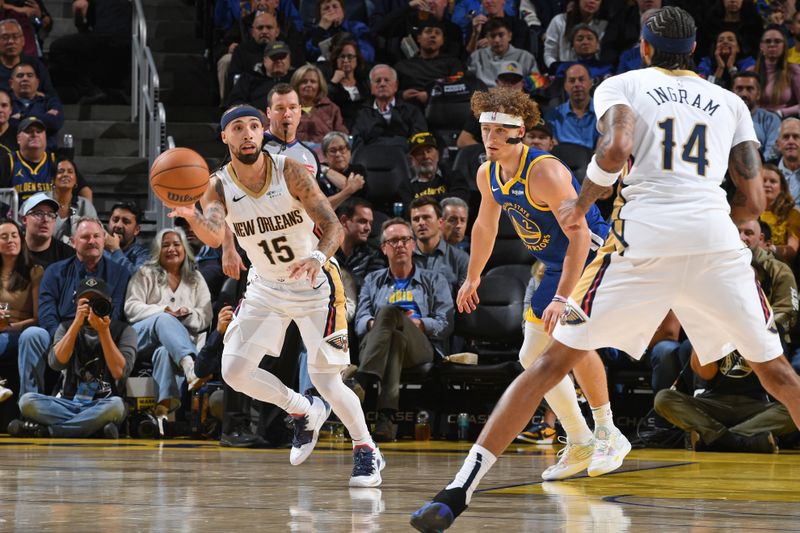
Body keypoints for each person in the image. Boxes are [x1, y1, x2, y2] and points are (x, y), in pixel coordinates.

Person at [410, 8, 800, 531]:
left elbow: (615, 148)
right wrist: (706, 222)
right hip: (714, 241)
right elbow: (752, 200)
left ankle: (457, 492)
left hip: (643, 238)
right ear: (694, 51)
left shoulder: (623, 84)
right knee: (778, 374)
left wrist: (583, 201)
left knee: (547, 363)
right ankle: (591, 435)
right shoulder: (730, 101)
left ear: (642, 47)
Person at [170, 104, 385, 487]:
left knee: (327, 380)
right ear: (225, 137)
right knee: (233, 371)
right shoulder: (217, 185)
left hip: (315, 284)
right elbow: (217, 234)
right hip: (266, 286)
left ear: (263, 130)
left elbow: (333, 226)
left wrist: (318, 257)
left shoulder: (288, 171)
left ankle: (366, 448)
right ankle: (303, 410)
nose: (248, 133)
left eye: (254, 126)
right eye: (238, 127)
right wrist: (191, 216)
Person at [438, 86, 628, 485]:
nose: (489, 138)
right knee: (530, 354)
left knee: (570, 337)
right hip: (556, 262)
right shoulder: (487, 172)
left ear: (519, 132)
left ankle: (608, 429)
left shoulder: (545, 172)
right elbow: (485, 225)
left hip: (593, 253)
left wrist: (562, 296)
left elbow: (578, 237)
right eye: (485, 129)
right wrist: (473, 276)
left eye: (498, 130)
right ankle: (578, 439)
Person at [353, 218, 454, 441]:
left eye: (405, 240)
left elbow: (445, 324)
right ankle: (386, 420)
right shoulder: (372, 280)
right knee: (394, 335)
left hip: (419, 346)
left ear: (413, 245)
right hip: (379, 344)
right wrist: (381, 323)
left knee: (390, 313)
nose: (400, 245)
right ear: (383, 248)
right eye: (393, 241)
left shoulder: (434, 280)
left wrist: (415, 323)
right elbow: (360, 322)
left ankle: (361, 380)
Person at [18, 217, 130, 397]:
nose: (92, 241)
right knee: (32, 335)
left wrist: (92, 336)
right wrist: (65, 340)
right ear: (73, 241)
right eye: (85, 237)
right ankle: (30, 404)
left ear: (104, 239)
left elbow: (115, 314)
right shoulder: (55, 271)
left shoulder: (120, 272)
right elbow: (47, 315)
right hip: (62, 334)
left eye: (97, 236)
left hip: (102, 332)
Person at [8, 277, 132, 438]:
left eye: (98, 301)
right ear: (77, 304)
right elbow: (56, 364)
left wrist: (103, 331)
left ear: (109, 302)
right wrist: (76, 324)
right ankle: (95, 429)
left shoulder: (124, 330)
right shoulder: (65, 327)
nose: (92, 306)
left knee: (117, 406)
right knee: (26, 401)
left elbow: (119, 373)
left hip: (102, 403)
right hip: (66, 403)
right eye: (87, 302)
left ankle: (48, 432)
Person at [125, 227, 212, 422]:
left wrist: (188, 314)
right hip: (143, 337)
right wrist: (163, 310)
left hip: (175, 344)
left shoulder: (196, 278)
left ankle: (164, 412)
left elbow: (205, 316)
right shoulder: (145, 273)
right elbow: (130, 308)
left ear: (184, 249)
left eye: (176, 244)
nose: (171, 249)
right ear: (158, 250)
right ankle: (191, 368)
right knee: (165, 319)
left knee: (164, 352)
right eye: (165, 245)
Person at [0, 218, 41, 404]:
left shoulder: (34, 272)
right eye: (4, 236)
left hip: (20, 333)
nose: (10, 240)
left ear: (21, 239)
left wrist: (10, 327)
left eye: (14, 235)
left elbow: (37, 318)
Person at [350, 65, 428, 150]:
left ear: (396, 86)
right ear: (371, 88)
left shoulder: (412, 111)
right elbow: (356, 143)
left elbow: (420, 139)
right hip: (371, 160)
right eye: (378, 81)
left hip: (405, 159)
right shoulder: (362, 114)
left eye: (386, 80)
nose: (382, 84)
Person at [408, 196, 469, 297]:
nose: (421, 223)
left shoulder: (461, 259)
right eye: (416, 219)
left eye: (426, 217)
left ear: (440, 222)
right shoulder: (402, 256)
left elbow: (464, 304)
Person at [467, 18, 538, 89]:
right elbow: (468, 83)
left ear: (509, 36)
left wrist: (523, 86)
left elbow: (537, 82)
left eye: (501, 35)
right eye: (492, 36)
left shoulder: (525, 57)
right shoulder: (477, 56)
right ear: (487, 38)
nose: (497, 40)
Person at [403, 132, 470, 205]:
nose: (426, 156)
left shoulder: (454, 177)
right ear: (411, 160)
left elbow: (460, 200)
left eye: (429, 151)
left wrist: (422, 202)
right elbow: (409, 211)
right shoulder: (405, 187)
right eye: (419, 153)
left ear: (437, 154)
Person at [543, 0, 607, 74]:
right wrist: (558, 69)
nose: (592, 1)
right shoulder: (559, 21)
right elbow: (549, 54)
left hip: (594, 72)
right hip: (563, 72)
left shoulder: (603, 25)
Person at [227, 40, 294, 111]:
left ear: (289, 59)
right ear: (265, 60)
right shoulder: (249, 78)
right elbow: (235, 102)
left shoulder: (296, 77)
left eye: (282, 57)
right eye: (274, 57)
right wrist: (255, 112)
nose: (278, 61)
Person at [290, 64, 347, 146]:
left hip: (324, 155)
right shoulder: (287, 109)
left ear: (319, 86)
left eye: (313, 82)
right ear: (296, 85)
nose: (308, 85)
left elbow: (342, 136)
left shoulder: (331, 108)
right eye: (304, 82)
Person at [545, 63, 599, 150]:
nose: (577, 85)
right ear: (565, 86)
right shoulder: (553, 116)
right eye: (572, 81)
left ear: (591, 83)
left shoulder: (603, 113)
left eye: (581, 79)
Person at [334, 197, 385, 288]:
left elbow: (372, 288)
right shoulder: (327, 252)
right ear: (344, 221)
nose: (368, 228)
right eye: (362, 222)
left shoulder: (374, 254)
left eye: (370, 223)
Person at [732, 72, 781, 161]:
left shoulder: (771, 119)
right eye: (739, 89)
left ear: (758, 94)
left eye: (750, 89)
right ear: (731, 93)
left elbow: (771, 153)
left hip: (761, 170)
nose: (744, 94)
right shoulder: (722, 118)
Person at [324, 38, 370, 130]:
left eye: (350, 56)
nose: (345, 60)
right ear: (336, 60)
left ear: (357, 59)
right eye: (342, 56)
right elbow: (322, 105)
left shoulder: (365, 84)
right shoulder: (329, 84)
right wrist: (333, 82)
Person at [755, 25, 800, 117]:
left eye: (777, 41)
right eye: (768, 41)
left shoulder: (793, 71)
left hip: (785, 122)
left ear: (784, 46)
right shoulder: (752, 71)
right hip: (756, 120)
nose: (772, 44)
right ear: (761, 46)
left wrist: (780, 113)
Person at [760, 163, 800, 264]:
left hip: (778, 268)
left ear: (781, 187)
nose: (767, 184)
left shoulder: (792, 214)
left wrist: (771, 249)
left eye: (773, 181)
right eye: (763, 181)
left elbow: (792, 250)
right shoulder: (747, 211)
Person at [50, 158, 97, 244]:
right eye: (61, 171)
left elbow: (94, 233)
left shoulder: (85, 205)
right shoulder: (40, 201)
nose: (65, 174)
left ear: (75, 180)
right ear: (52, 179)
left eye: (70, 172)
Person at [103, 202, 149, 275]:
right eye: (115, 220)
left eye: (126, 222)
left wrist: (115, 250)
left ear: (136, 229)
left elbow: (138, 279)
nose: (118, 225)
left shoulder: (143, 254)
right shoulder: (98, 249)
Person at [774, 118, 800, 204]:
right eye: (786, 137)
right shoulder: (765, 172)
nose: (791, 141)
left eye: (796, 137)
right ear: (778, 144)